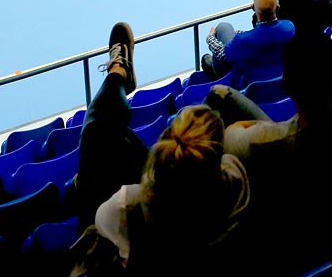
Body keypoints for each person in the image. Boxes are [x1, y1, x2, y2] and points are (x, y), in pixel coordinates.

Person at [72, 23, 251, 275]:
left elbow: (99, 220)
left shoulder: (125, 205)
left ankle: (118, 72)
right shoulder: (238, 179)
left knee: (97, 133)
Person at [206, 32, 332, 168]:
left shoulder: (260, 142)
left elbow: (231, 136)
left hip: (283, 140)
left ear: (285, 83)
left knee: (219, 92)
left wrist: (258, 126)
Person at [201, 0, 295, 89]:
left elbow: (222, 54)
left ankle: (216, 75)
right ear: (277, 8)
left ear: (253, 7)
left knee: (223, 27)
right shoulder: (289, 28)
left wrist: (210, 37)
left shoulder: (242, 41)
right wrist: (241, 33)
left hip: (248, 93)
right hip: (282, 87)